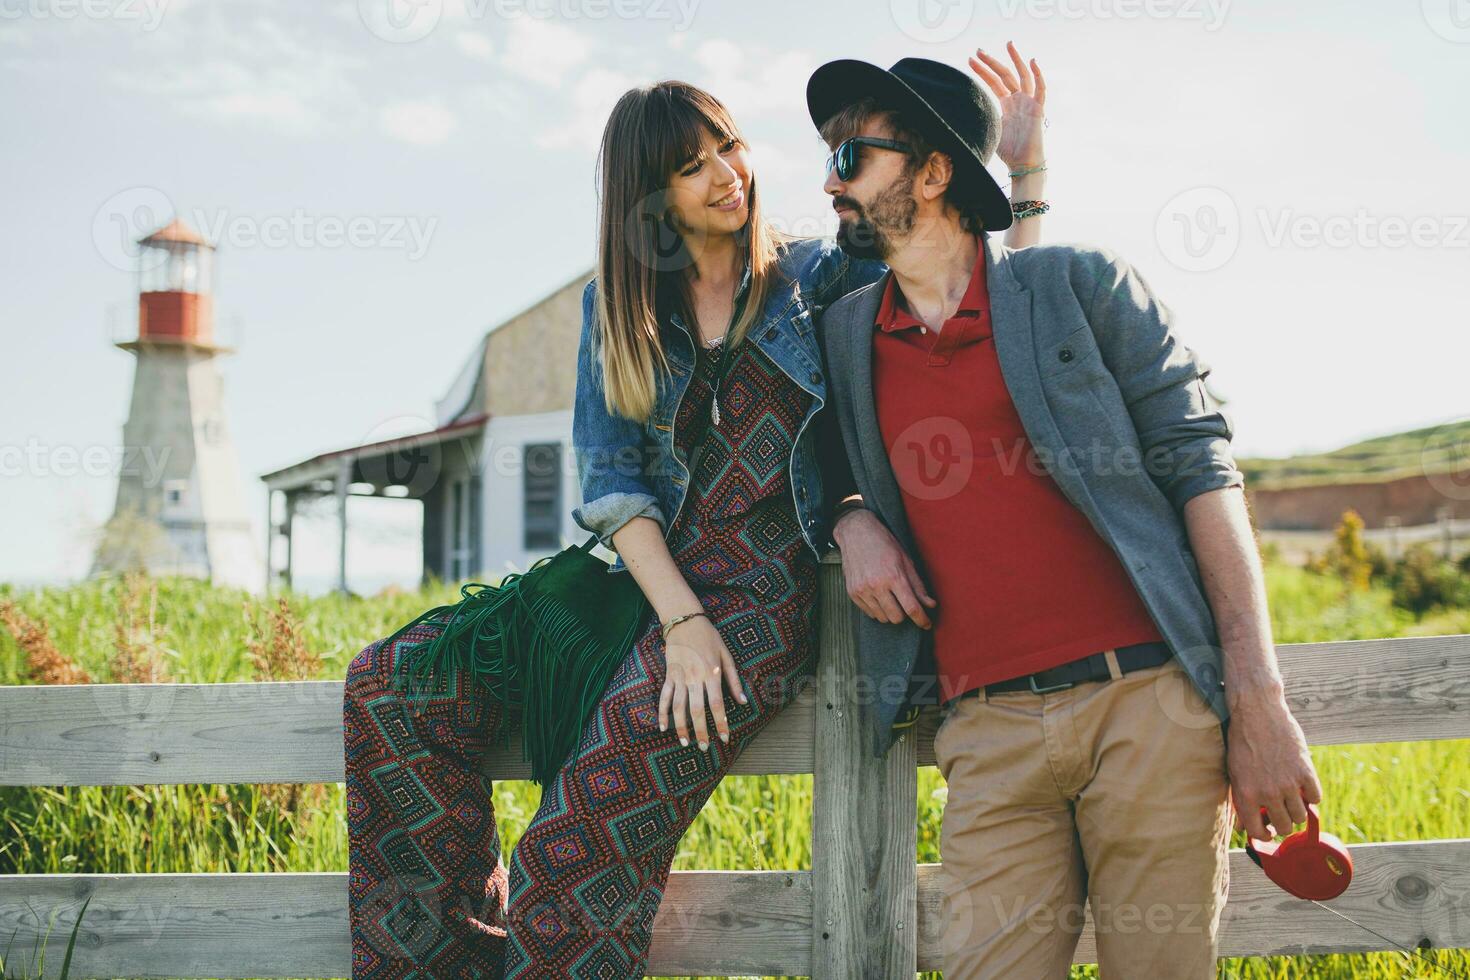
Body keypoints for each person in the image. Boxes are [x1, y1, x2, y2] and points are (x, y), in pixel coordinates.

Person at [342, 44, 1050, 978]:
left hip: (763, 601)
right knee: (390, 688)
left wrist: (1025, 175)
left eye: (730, 147)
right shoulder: (618, 306)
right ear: (649, 199)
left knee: (565, 862)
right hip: (640, 587)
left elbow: (976, 298)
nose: (728, 176)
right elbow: (613, 481)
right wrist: (679, 618)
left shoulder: (820, 276)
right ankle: (446, 958)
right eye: (691, 166)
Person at [808, 56, 1324, 977]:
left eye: (852, 154)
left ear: (932, 174)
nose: (830, 179)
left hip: (1150, 710)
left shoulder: (1084, 288)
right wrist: (849, 518)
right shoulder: (842, 336)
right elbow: (807, 470)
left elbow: (1205, 472)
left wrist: (1257, 702)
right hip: (987, 736)